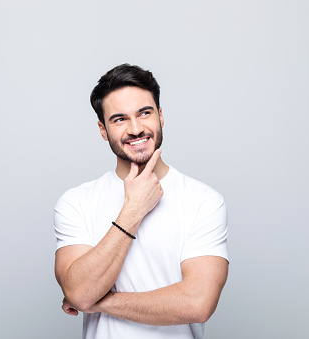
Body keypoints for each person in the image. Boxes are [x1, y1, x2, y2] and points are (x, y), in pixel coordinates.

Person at [54, 64, 229, 339]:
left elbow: (198, 303)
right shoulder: (77, 202)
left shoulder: (203, 201)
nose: (135, 129)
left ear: (160, 116)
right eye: (119, 119)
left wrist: (99, 301)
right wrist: (133, 209)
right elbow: (78, 291)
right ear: (103, 129)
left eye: (144, 113)